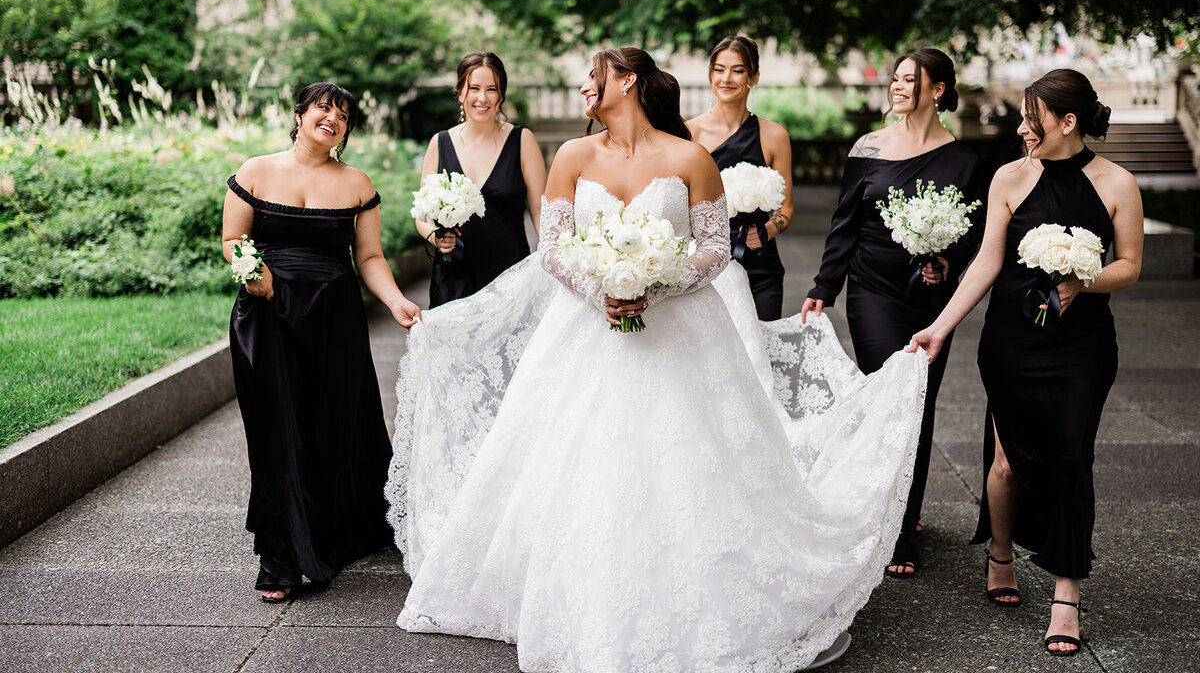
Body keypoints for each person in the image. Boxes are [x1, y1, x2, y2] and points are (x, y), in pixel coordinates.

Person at [385, 47, 931, 672]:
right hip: (584, 332)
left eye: (595, 78)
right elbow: (556, 248)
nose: (587, 88)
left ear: (628, 83)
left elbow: (714, 249)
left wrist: (654, 285)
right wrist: (604, 291)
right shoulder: (572, 156)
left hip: (679, 333)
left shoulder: (689, 157)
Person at [909, 69, 1143, 656]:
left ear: (1068, 122)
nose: (1022, 128)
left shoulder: (1117, 183)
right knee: (1008, 464)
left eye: (1033, 118)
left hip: (1082, 347)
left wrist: (1080, 278)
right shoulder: (1009, 177)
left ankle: (1067, 592)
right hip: (1011, 342)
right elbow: (987, 262)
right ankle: (1001, 552)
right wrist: (940, 327)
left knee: (1071, 459)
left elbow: (1131, 266)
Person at [222, 82, 421, 603]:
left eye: (343, 114)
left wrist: (397, 300)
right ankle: (281, 558)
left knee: (335, 423)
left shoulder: (357, 183)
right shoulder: (256, 171)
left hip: (334, 321)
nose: (332, 117)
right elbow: (231, 240)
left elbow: (370, 258)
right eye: (323, 108)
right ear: (301, 114)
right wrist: (251, 270)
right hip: (269, 316)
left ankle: (336, 529)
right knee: (277, 431)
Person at [801, 49, 986, 579]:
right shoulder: (870, 146)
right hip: (872, 290)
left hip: (931, 301)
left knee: (920, 405)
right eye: (897, 78)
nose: (899, 87)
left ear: (939, 90)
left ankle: (906, 517)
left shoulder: (965, 162)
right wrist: (824, 286)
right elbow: (845, 221)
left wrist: (945, 264)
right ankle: (889, 525)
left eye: (912, 80)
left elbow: (973, 238)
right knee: (890, 396)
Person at [415, 52, 546, 307]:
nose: (482, 98)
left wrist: (552, 258)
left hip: (510, 279)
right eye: (474, 88)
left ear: (501, 95)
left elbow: (540, 211)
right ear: (460, 92)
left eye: (491, 89)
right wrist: (436, 237)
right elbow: (422, 214)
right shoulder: (440, 143)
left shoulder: (522, 140)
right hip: (454, 278)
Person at [687, 36, 794, 319]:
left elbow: (786, 208)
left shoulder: (774, 135)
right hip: (707, 264)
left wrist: (766, 231)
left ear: (754, 77)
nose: (727, 78)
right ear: (710, 75)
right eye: (719, 69)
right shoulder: (689, 134)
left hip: (761, 265)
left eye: (738, 70)